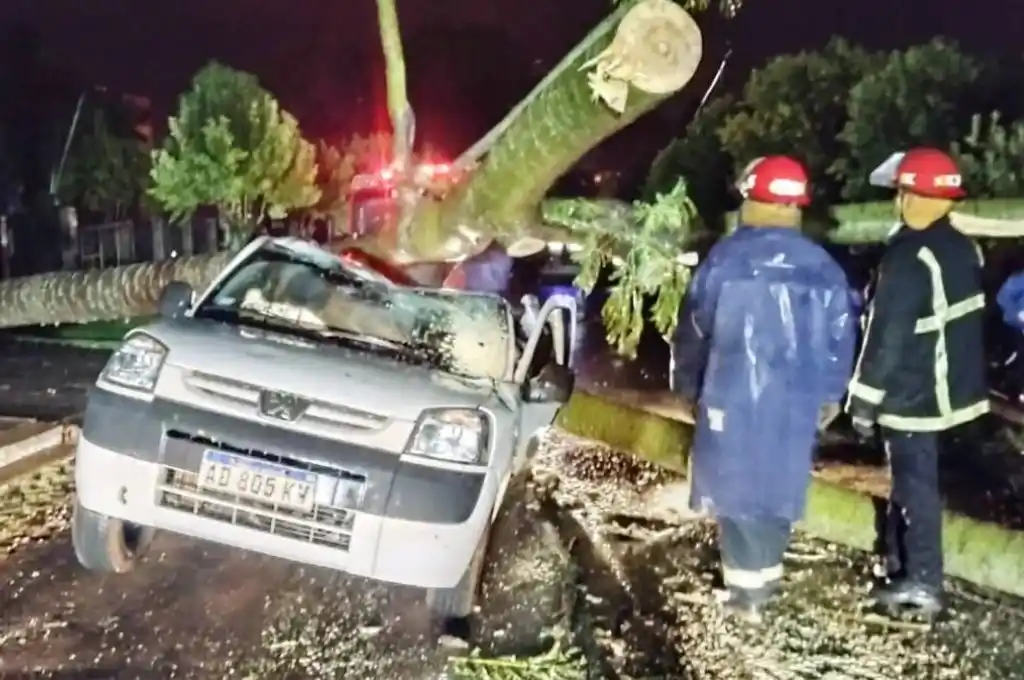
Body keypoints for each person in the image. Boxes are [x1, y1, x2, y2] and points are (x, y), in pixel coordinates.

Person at [671, 155, 857, 622]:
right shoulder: (825, 268)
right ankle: (765, 580)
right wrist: (832, 395)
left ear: (752, 199)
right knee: (778, 486)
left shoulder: (726, 259)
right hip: (797, 400)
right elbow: (842, 336)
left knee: (734, 489)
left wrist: (688, 384)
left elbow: (694, 327)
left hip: (730, 394)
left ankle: (746, 596)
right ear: (797, 207)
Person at [846, 147, 989, 617]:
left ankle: (923, 581)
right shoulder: (960, 245)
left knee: (914, 486)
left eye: (902, 192)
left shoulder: (907, 257)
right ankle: (899, 565)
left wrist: (863, 402)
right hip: (949, 389)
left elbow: (885, 335)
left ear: (911, 197)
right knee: (912, 482)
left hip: (914, 393)